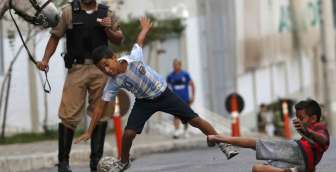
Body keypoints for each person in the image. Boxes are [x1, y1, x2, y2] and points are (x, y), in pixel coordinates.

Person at [75, 17, 239, 172]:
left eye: (106, 65)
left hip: (163, 94)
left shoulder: (134, 58)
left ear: (114, 57)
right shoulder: (112, 83)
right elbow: (99, 107)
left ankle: (224, 143)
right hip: (144, 102)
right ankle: (123, 162)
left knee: (195, 120)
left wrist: (145, 28)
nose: (106, 70)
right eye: (101, 69)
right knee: (128, 134)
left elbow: (139, 41)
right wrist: (90, 131)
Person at [36, 0, 124, 171]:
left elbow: (119, 39)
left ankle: (95, 162)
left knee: (101, 115)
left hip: (101, 69)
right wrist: (45, 59)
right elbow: (55, 36)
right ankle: (63, 162)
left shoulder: (106, 12)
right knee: (68, 115)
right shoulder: (68, 12)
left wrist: (108, 29)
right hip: (76, 68)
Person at [208, 99, 330, 172]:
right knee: (257, 169)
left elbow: (324, 140)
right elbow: (313, 162)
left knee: (255, 143)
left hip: (297, 151)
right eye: (297, 117)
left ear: (314, 118)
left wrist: (308, 131)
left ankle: (217, 138)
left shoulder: (319, 127)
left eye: (301, 118)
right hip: (301, 166)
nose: (298, 121)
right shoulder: (308, 134)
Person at [167, 59, 195, 139]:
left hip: (185, 98)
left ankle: (186, 131)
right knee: (176, 115)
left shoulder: (185, 75)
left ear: (180, 65)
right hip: (175, 98)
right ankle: (176, 131)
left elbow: (192, 85)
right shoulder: (170, 76)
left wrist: (192, 96)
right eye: (174, 65)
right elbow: (167, 87)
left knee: (186, 115)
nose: (175, 66)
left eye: (176, 64)